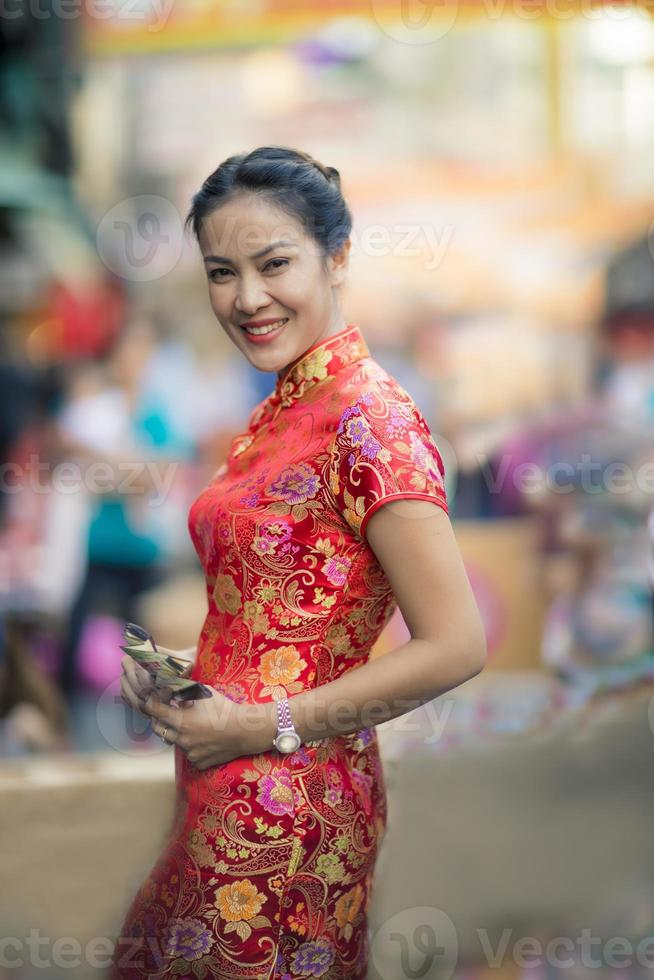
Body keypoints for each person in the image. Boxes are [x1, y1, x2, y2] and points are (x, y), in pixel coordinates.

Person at [111, 146, 487, 980]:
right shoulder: (286, 408)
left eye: (274, 263)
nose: (247, 299)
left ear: (338, 256)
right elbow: (284, 618)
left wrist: (258, 724)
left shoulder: (368, 422)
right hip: (224, 792)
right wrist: (190, 676)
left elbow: (458, 644)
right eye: (221, 272)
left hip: (291, 814)